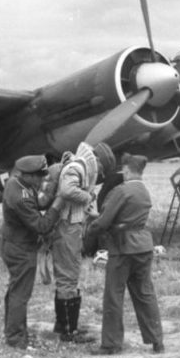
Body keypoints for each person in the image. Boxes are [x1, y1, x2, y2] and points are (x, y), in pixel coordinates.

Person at [87, 154, 164, 355]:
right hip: (143, 246)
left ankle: (111, 344)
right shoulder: (144, 191)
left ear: (127, 170)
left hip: (123, 249)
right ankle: (157, 340)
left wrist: (90, 227)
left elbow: (104, 222)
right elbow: (129, 217)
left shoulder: (122, 191)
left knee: (114, 296)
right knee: (145, 294)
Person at [51, 142, 116, 343]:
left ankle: (64, 325)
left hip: (70, 226)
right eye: (102, 168)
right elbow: (67, 191)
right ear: (97, 161)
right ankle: (68, 331)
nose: (101, 173)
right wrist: (88, 197)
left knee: (69, 275)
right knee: (68, 276)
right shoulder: (77, 168)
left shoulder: (76, 166)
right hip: (67, 227)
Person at [1, 155, 64, 349]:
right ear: (27, 175)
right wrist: (58, 204)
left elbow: (37, 203)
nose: (41, 180)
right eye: (38, 176)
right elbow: (42, 225)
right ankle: (15, 339)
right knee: (20, 294)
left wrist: (52, 193)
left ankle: (15, 331)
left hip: (13, 245)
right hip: (21, 249)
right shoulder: (21, 198)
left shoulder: (16, 183)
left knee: (14, 291)